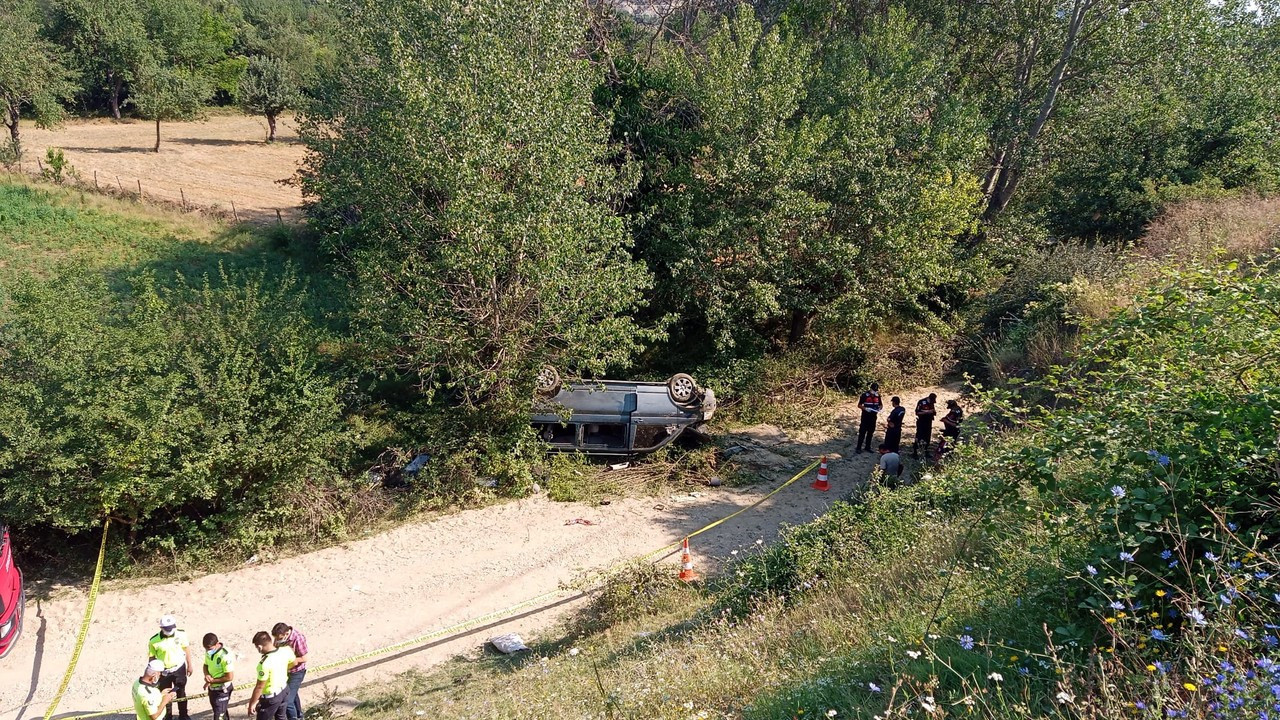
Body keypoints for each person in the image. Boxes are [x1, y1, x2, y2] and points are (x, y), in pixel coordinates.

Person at [148, 615, 194, 720]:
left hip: (179, 668)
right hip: (163, 672)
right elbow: (151, 657)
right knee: (165, 694)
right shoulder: (153, 641)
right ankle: (168, 716)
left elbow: (186, 649)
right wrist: (152, 673)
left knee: (181, 692)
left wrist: (190, 665)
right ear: (161, 628)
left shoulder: (181, 634)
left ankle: (183, 715)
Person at [248, 630, 295, 720]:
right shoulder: (285, 650)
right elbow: (294, 662)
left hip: (271, 698)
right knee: (281, 717)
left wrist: (252, 703)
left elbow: (259, 687)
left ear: (259, 647)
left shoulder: (264, 664)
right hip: (284, 690)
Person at [272, 622, 309, 720]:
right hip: (285, 672)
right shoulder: (279, 638)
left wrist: (290, 661)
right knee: (293, 695)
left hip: (296, 672)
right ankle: (300, 716)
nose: (277, 641)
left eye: (279, 638)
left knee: (288, 702)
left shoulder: (298, 638)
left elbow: (304, 658)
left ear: (286, 634)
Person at [203, 633, 235, 720]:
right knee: (221, 712)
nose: (207, 651)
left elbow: (229, 677)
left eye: (210, 649)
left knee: (219, 716)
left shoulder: (225, 656)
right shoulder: (209, 652)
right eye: (206, 649)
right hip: (212, 689)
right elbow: (205, 665)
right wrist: (207, 675)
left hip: (222, 690)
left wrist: (211, 681)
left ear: (217, 644)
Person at [855, 383, 883, 454]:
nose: (875, 391)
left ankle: (868, 447)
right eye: (874, 390)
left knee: (870, 432)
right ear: (870, 389)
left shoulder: (878, 396)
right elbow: (859, 405)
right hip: (865, 417)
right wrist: (865, 408)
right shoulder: (864, 395)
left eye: (876, 390)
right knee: (862, 432)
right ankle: (858, 447)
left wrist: (880, 408)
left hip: (873, 416)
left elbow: (881, 404)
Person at [912, 393, 938, 458]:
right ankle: (915, 452)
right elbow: (917, 412)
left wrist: (933, 412)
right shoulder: (921, 402)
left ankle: (926, 451)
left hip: (929, 422)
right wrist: (926, 412)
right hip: (921, 421)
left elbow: (934, 412)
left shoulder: (931, 403)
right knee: (919, 436)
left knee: (927, 437)